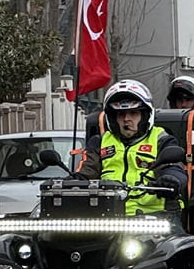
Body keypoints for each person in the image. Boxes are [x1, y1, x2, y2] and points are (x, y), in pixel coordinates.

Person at [76, 80, 187, 216]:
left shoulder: (161, 139)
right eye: (121, 114)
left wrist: (171, 179)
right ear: (112, 118)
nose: (126, 119)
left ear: (145, 116)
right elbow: (86, 172)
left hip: (156, 216)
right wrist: (71, 182)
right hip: (108, 217)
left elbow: (174, 167)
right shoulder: (100, 142)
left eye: (133, 113)